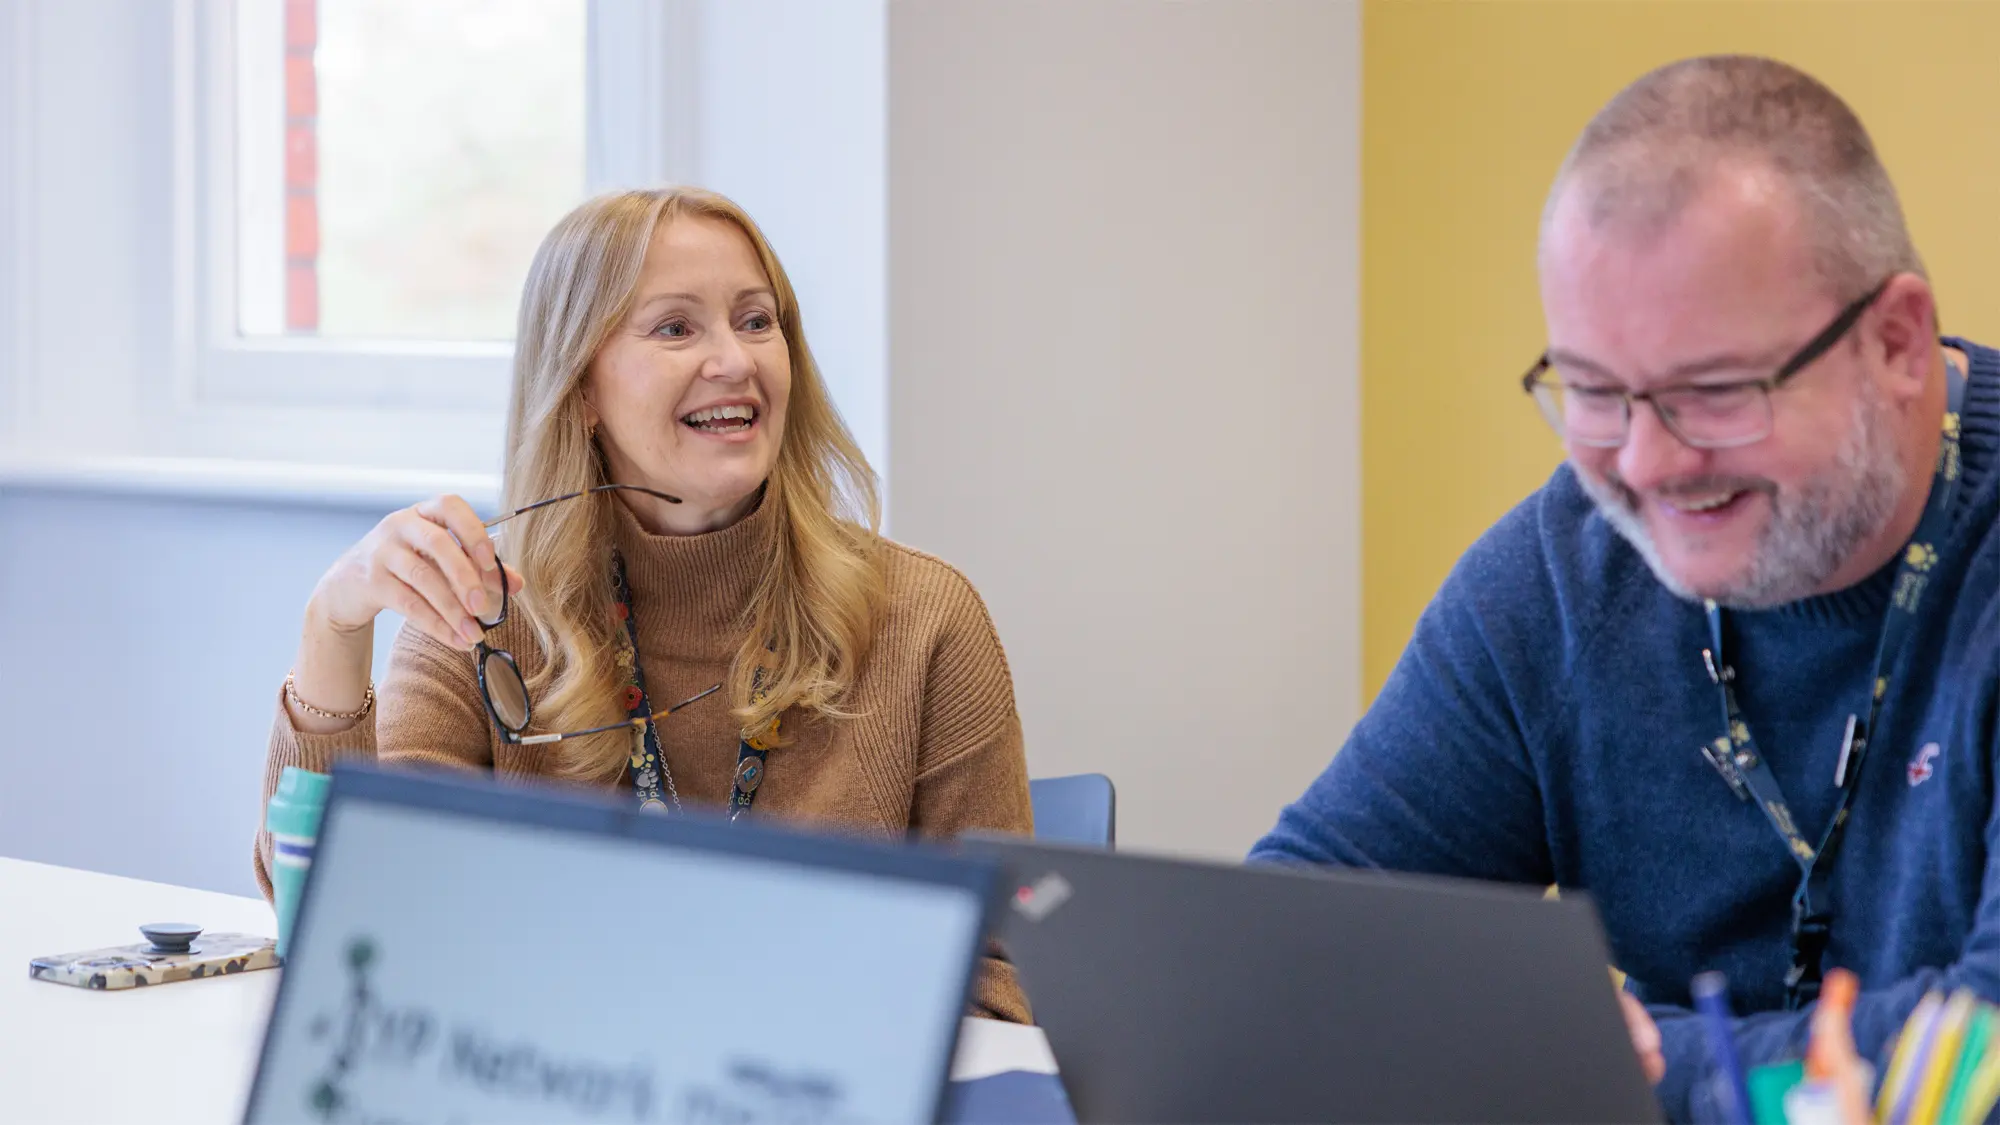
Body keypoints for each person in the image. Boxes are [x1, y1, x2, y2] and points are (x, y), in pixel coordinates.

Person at [1251, 54, 2000, 1119]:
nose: (1645, 466)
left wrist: (1608, 1065)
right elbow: (1293, 944)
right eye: (1594, 393)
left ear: (1893, 342)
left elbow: (1984, 1060)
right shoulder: (1561, 574)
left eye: (1713, 393)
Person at [254, 186, 1034, 1021]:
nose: (735, 359)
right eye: (675, 327)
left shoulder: (925, 617)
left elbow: (1000, 980)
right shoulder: (491, 606)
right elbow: (362, 914)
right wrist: (332, 629)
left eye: (756, 320)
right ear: (582, 388)